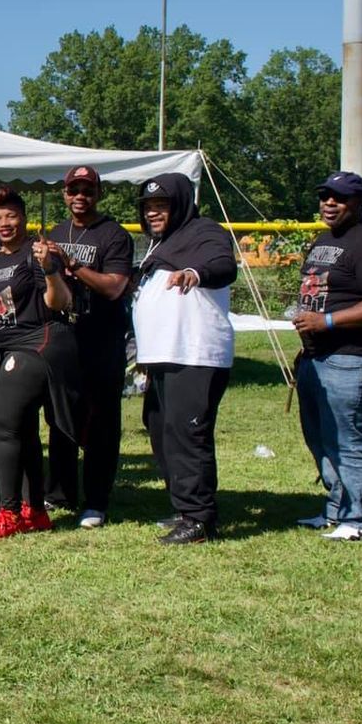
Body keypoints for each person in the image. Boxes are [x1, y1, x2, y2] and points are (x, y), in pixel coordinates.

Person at [290, 170, 362, 542]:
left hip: (355, 357)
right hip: (317, 357)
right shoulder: (325, 239)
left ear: (358, 202)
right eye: (325, 196)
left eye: (338, 198)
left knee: (349, 439)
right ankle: (337, 509)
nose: (329, 203)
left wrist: (328, 321)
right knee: (320, 437)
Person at [132, 173, 237, 544]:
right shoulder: (160, 243)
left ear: (180, 205)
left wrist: (196, 273)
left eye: (161, 206)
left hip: (194, 353)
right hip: (164, 355)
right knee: (162, 431)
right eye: (147, 208)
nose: (153, 214)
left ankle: (200, 519)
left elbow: (225, 266)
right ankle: (183, 506)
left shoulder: (203, 232)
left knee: (188, 434)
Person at [0, 186, 79, 540]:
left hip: (36, 344)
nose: (4, 223)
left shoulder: (36, 254)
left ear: (25, 218)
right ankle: (36, 511)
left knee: (2, 425)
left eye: (11, 216)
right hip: (2, 350)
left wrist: (49, 269)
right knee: (24, 430)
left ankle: (9, 513)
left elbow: (59, 301)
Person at [39, 165, 135, 527]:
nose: (80, 197)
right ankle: (60, 492)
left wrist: (71, 262)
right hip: (65, 338)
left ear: (99, 194)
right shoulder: (57, 232)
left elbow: (113, 287)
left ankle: (96, 500)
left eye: (87, 190)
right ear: (64, 194)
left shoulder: (114, 235)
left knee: (101, 424)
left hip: (102, 339)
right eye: (73, 190)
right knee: (61, 418)